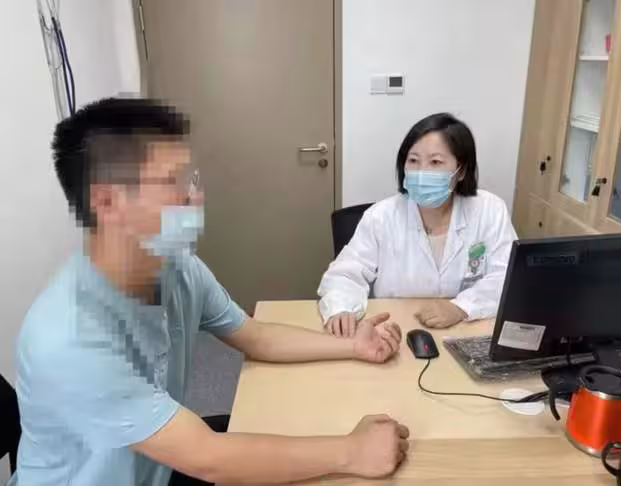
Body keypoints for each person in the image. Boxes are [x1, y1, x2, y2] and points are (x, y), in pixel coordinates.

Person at [9, 98, 409, 486]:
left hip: (161, 465)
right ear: (107, 202)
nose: (195, 197)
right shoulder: (67, 337)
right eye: (173, 182)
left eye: (192, 179)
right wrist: (352, 452)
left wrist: (352, 346)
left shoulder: (178, 268)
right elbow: (208, 458)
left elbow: (256, 336)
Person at [319, 113, 517, 337]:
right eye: (413, 160)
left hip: (467, 331)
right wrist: (342, 308)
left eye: (435, 162)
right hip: (393, 330)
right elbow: (345, 274)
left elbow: (507, 276)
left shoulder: (489, 210)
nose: (422, 172)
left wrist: (462, 307)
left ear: (461, 170)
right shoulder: (381, 216)